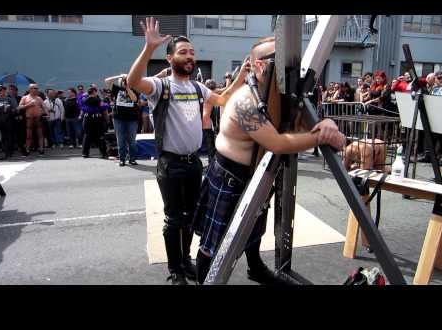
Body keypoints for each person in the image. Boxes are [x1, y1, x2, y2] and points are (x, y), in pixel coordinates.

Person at [193, 36, 346, 285]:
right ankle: (205, 281)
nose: (289, 68)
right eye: (279, 59)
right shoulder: (246, 100)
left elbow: (298, 125)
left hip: (256, 173)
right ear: (260, 65)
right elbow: (278, 143)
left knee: (254, 229)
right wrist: (320, 137)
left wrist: (324, 124)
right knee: (214, 242)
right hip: (229, 177)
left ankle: (255, 268)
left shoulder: (278, 95)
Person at [126, 17, 247, 285]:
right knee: (173, 220)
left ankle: (185, 261)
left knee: (190, 218)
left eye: (192, 52)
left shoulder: (197, 88)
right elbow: (134, 80)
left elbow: (224, 97)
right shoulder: (161, 86)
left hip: (194, 163)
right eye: (183, 52)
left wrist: (241, 76)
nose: (189, 56)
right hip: (170, 165)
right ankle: (176, 271)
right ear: (169, 59)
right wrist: (149, 48)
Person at [105, 75, 140, 166]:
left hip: (132, 119)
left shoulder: (134, 89)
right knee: (120, 140)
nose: (124, 82)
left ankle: (132, 159)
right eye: (123, 81)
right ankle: (122, 159)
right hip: (118, 119)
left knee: (131, 141)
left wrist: (128, 88)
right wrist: (119, 76)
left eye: (126, 81)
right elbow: (107, 80)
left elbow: (134, 99)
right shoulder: (117, 89)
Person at [18, 84, 48, 156]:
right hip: (29, 118)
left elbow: (44, 107)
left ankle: (41, 149)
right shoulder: (25, 98)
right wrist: (29, 104)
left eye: (37, 88)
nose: (36, 89)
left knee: (40, 134)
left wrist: (47, 114)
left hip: (38, 118)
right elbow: (19, 107)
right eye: (34, 88)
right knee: (28, 135)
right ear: (30, 89)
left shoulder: (39, 98)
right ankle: (27, 149)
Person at [80, 85, 109, 159]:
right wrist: (106, 104)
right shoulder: (97, 100)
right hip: (96, 118)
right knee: (100, 136)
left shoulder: (84, 100)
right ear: (94, 92)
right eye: (96, 91)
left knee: (87, 136)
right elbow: (103, 106)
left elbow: (81, 107)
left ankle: (85, 153)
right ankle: (103, 153)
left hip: (86, 119)